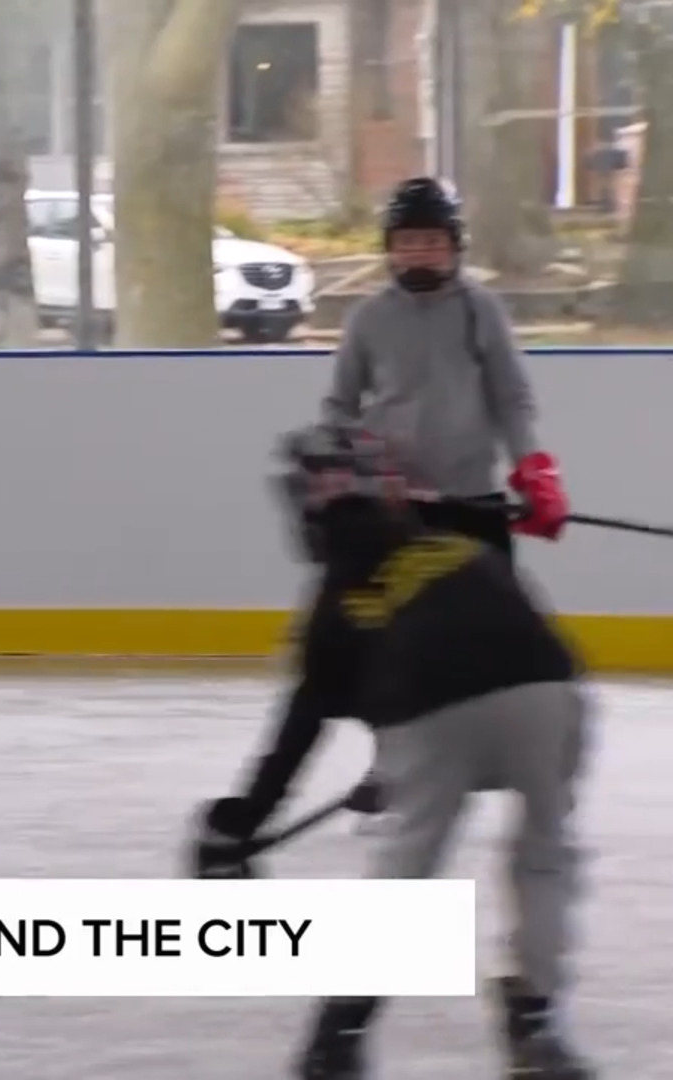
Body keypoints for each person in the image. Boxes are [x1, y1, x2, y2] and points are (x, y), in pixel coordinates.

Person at [191, 424, 593, 1080]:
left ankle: (338, 1037)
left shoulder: (337, 598)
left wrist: (235, 826)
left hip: (431, 716)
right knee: (543, 856)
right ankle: (536, 1021)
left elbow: (305, 724)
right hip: (550, 690)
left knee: (403, 875)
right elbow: (474, 642)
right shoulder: (461, 550)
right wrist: (395, 761)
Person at [320, 175, 571, 828]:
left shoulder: (478, 309)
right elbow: (338, 409)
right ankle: (392, 762)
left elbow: (512, 399)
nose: (420, 253)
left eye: (432, 241)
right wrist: (366, 467)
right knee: (393, 645)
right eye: (408, 242)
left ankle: (535, 761)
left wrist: (533, 470)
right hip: (399, 513)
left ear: (454, 246)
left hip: (472, 502)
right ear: (390, 249)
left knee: (506, 634)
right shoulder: (369, 319)